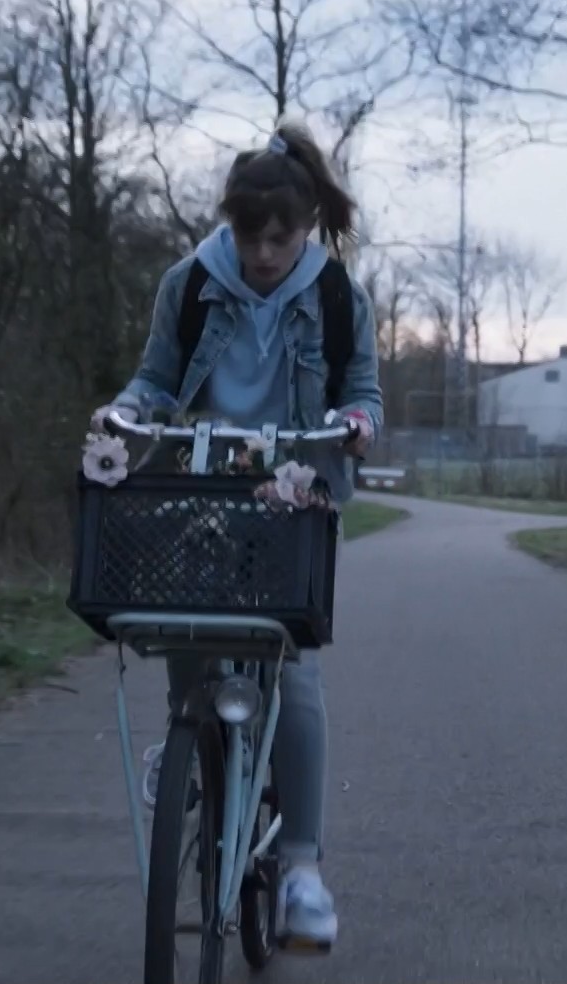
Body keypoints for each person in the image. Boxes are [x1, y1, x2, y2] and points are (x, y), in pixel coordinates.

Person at [90, 119, 383, 951]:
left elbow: (363, 390)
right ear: (230, 224)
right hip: (204, 482)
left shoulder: (337, 298)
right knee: (184, 624)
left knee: (292, 667)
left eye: (279, 239)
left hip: (294, 492)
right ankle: (187, 736)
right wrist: (124, 413)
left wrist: (357, 425)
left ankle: (301, 870)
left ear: (306, 227)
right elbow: (156, 380)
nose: (262, 255)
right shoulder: (188, 284)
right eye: (249, 237)